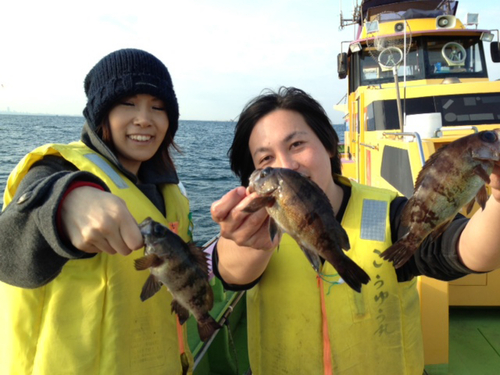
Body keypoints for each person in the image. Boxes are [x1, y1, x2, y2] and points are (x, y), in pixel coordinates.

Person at [210, 86, 500, 375]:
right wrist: (246, 242)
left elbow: (463, 250)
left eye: (296, 144)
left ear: (329, 144)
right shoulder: (260, 225)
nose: (287, 165)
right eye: (265, 160)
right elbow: (232, 273)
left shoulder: (385, 212)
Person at [0, 49, 195, 375]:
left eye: (158, 108)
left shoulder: (171, 192)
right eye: (128, 104)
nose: (144, 118)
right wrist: (63, 205)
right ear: (99, 113)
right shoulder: (55, 169)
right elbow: (8, 244)